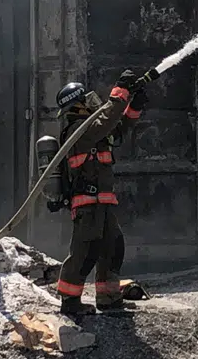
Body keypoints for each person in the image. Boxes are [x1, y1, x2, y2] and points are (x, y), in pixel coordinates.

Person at [48, 70, 148, 315]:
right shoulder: (78, 130)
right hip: (87, 202)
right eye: (87, 99)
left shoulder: (94, 130)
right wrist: (120, 92)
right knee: (85, 252)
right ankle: (70, 302)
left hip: (102, 201)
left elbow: (118, 128)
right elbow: (106, 120)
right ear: (78, 105)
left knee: (113, 247)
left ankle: (108, 298)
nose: (92, 101)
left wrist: (134, 106)